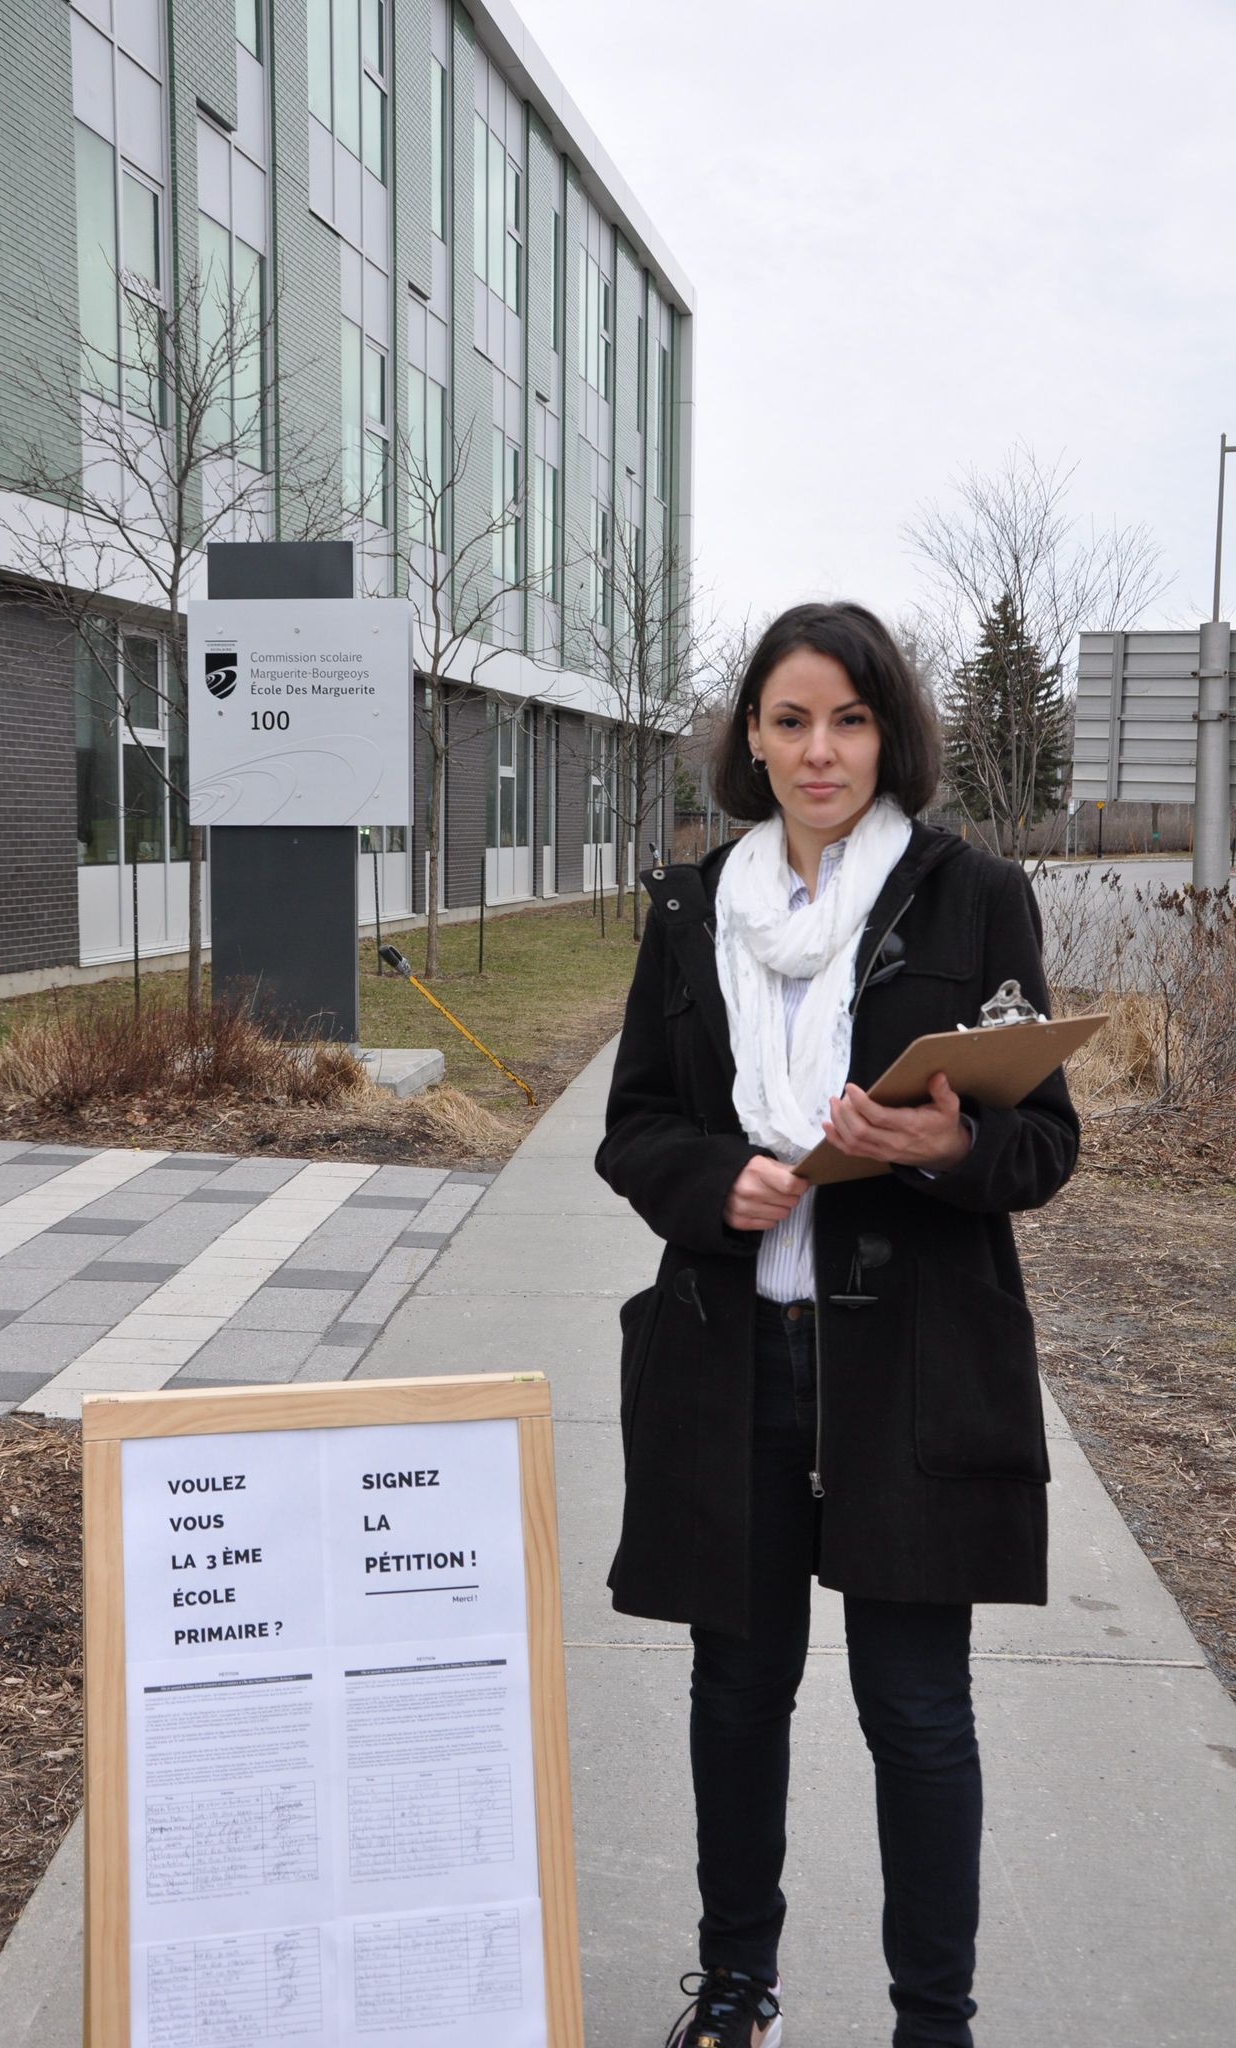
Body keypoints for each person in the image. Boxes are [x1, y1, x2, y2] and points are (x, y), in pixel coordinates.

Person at [595, 602, 1079, 2048]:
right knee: (738, 1693)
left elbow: (1042, 1145)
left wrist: (944, 1146)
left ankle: (935, 2021)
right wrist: (709, 1183)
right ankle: (739, 1988)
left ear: (892, 734)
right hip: (732, 1356)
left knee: (916, 1708)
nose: (821, 749)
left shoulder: (971, 895)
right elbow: (634, 1130)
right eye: (792, 719)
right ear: (749, 734)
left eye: (850, 720)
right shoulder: (690, 910)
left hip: (913, 1366)